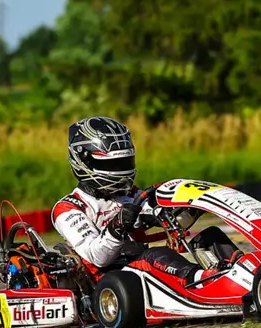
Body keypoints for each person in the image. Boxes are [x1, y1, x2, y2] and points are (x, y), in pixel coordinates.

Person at [52, 116, 226, 285]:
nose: (122, 171)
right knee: (154, 256)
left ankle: (235, 271)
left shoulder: (131, 194)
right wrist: (118, 225)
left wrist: (191, 209)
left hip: (141, 273)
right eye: (113, 164)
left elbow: (167, 219)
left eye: (125, 162)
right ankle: (202, 280)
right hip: (110, 282)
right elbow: (99, 257)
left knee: (210, 236)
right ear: (85, 162)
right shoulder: (68, 208)